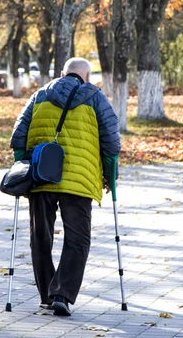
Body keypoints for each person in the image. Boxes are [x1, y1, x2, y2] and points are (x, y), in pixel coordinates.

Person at [10, 57, 121, 316]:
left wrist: (21, 171)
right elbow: (112, 146)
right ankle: (62, 293)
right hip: (79, 182)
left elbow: (18, 138)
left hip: (41, 177)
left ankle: (46, 295)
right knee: (78, 239)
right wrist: (110, 177)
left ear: (62, 74)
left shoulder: (39, 96)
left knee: (40, 236)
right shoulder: (97, 99)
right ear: (87, 77)